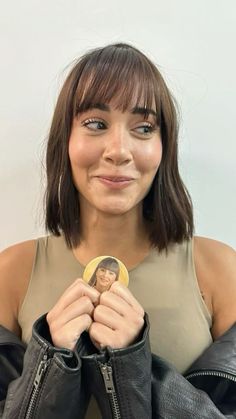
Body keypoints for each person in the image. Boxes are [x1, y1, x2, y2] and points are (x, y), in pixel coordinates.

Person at [0, 42, 236, 418]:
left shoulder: (219, 269)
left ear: (164, 148)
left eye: (143, 128)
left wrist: (134, 369)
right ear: (66, 140)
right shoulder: (12, 270)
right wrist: (49, 362)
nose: (119, 150)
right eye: (96, 124)